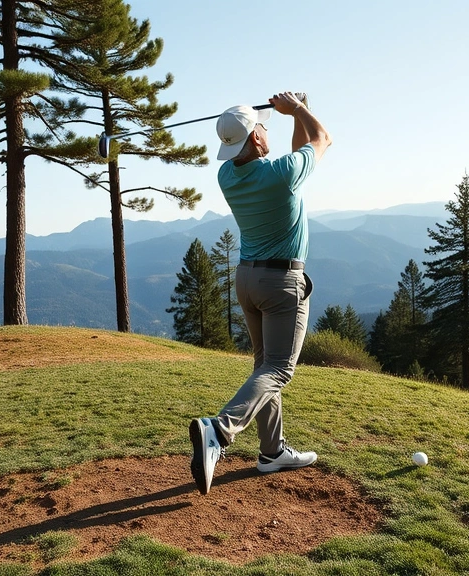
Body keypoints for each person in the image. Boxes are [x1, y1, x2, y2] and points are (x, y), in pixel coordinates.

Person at [189, 91, 332, 495]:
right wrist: (299, 109)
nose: (266, 129)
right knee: (279, 369)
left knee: (263, 368)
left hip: (247, 281)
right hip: (281, 283)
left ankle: (272, 453)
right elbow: (322, 140)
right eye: (262, 126)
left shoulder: (228, 176)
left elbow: (298, 151)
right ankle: (219, 430)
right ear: (254, 138)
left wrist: (289, 117)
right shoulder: (281, 174)